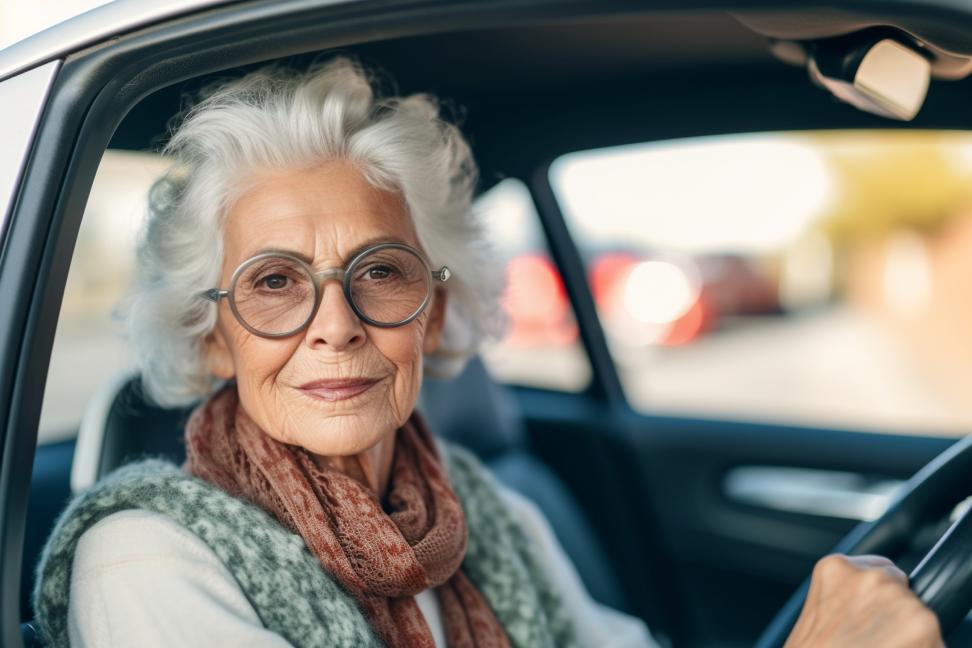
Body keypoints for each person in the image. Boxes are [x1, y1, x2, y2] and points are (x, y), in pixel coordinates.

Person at [33, 58, 943, 648]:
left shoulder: (484, 510)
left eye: (380, 272)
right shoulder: (145, 563)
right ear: (212, 338)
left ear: (434, 313)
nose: (336, 322)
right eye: (274, 283)